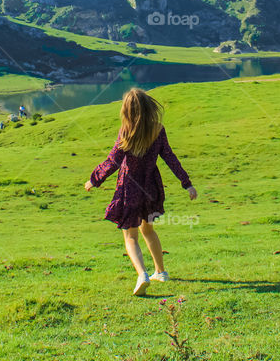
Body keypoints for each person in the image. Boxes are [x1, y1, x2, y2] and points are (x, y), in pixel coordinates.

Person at [84, 88, 197, 296]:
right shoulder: (158, 129)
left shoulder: (126, 131)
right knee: (148, 230)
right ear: (148, 107)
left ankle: (142, 274)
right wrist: (187, 183)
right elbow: (170, 158)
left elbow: (113, 161)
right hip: (151, 187)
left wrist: (94, 179)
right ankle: (160, 272)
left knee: (130, 237)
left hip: (129, 188)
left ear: (127, 110)